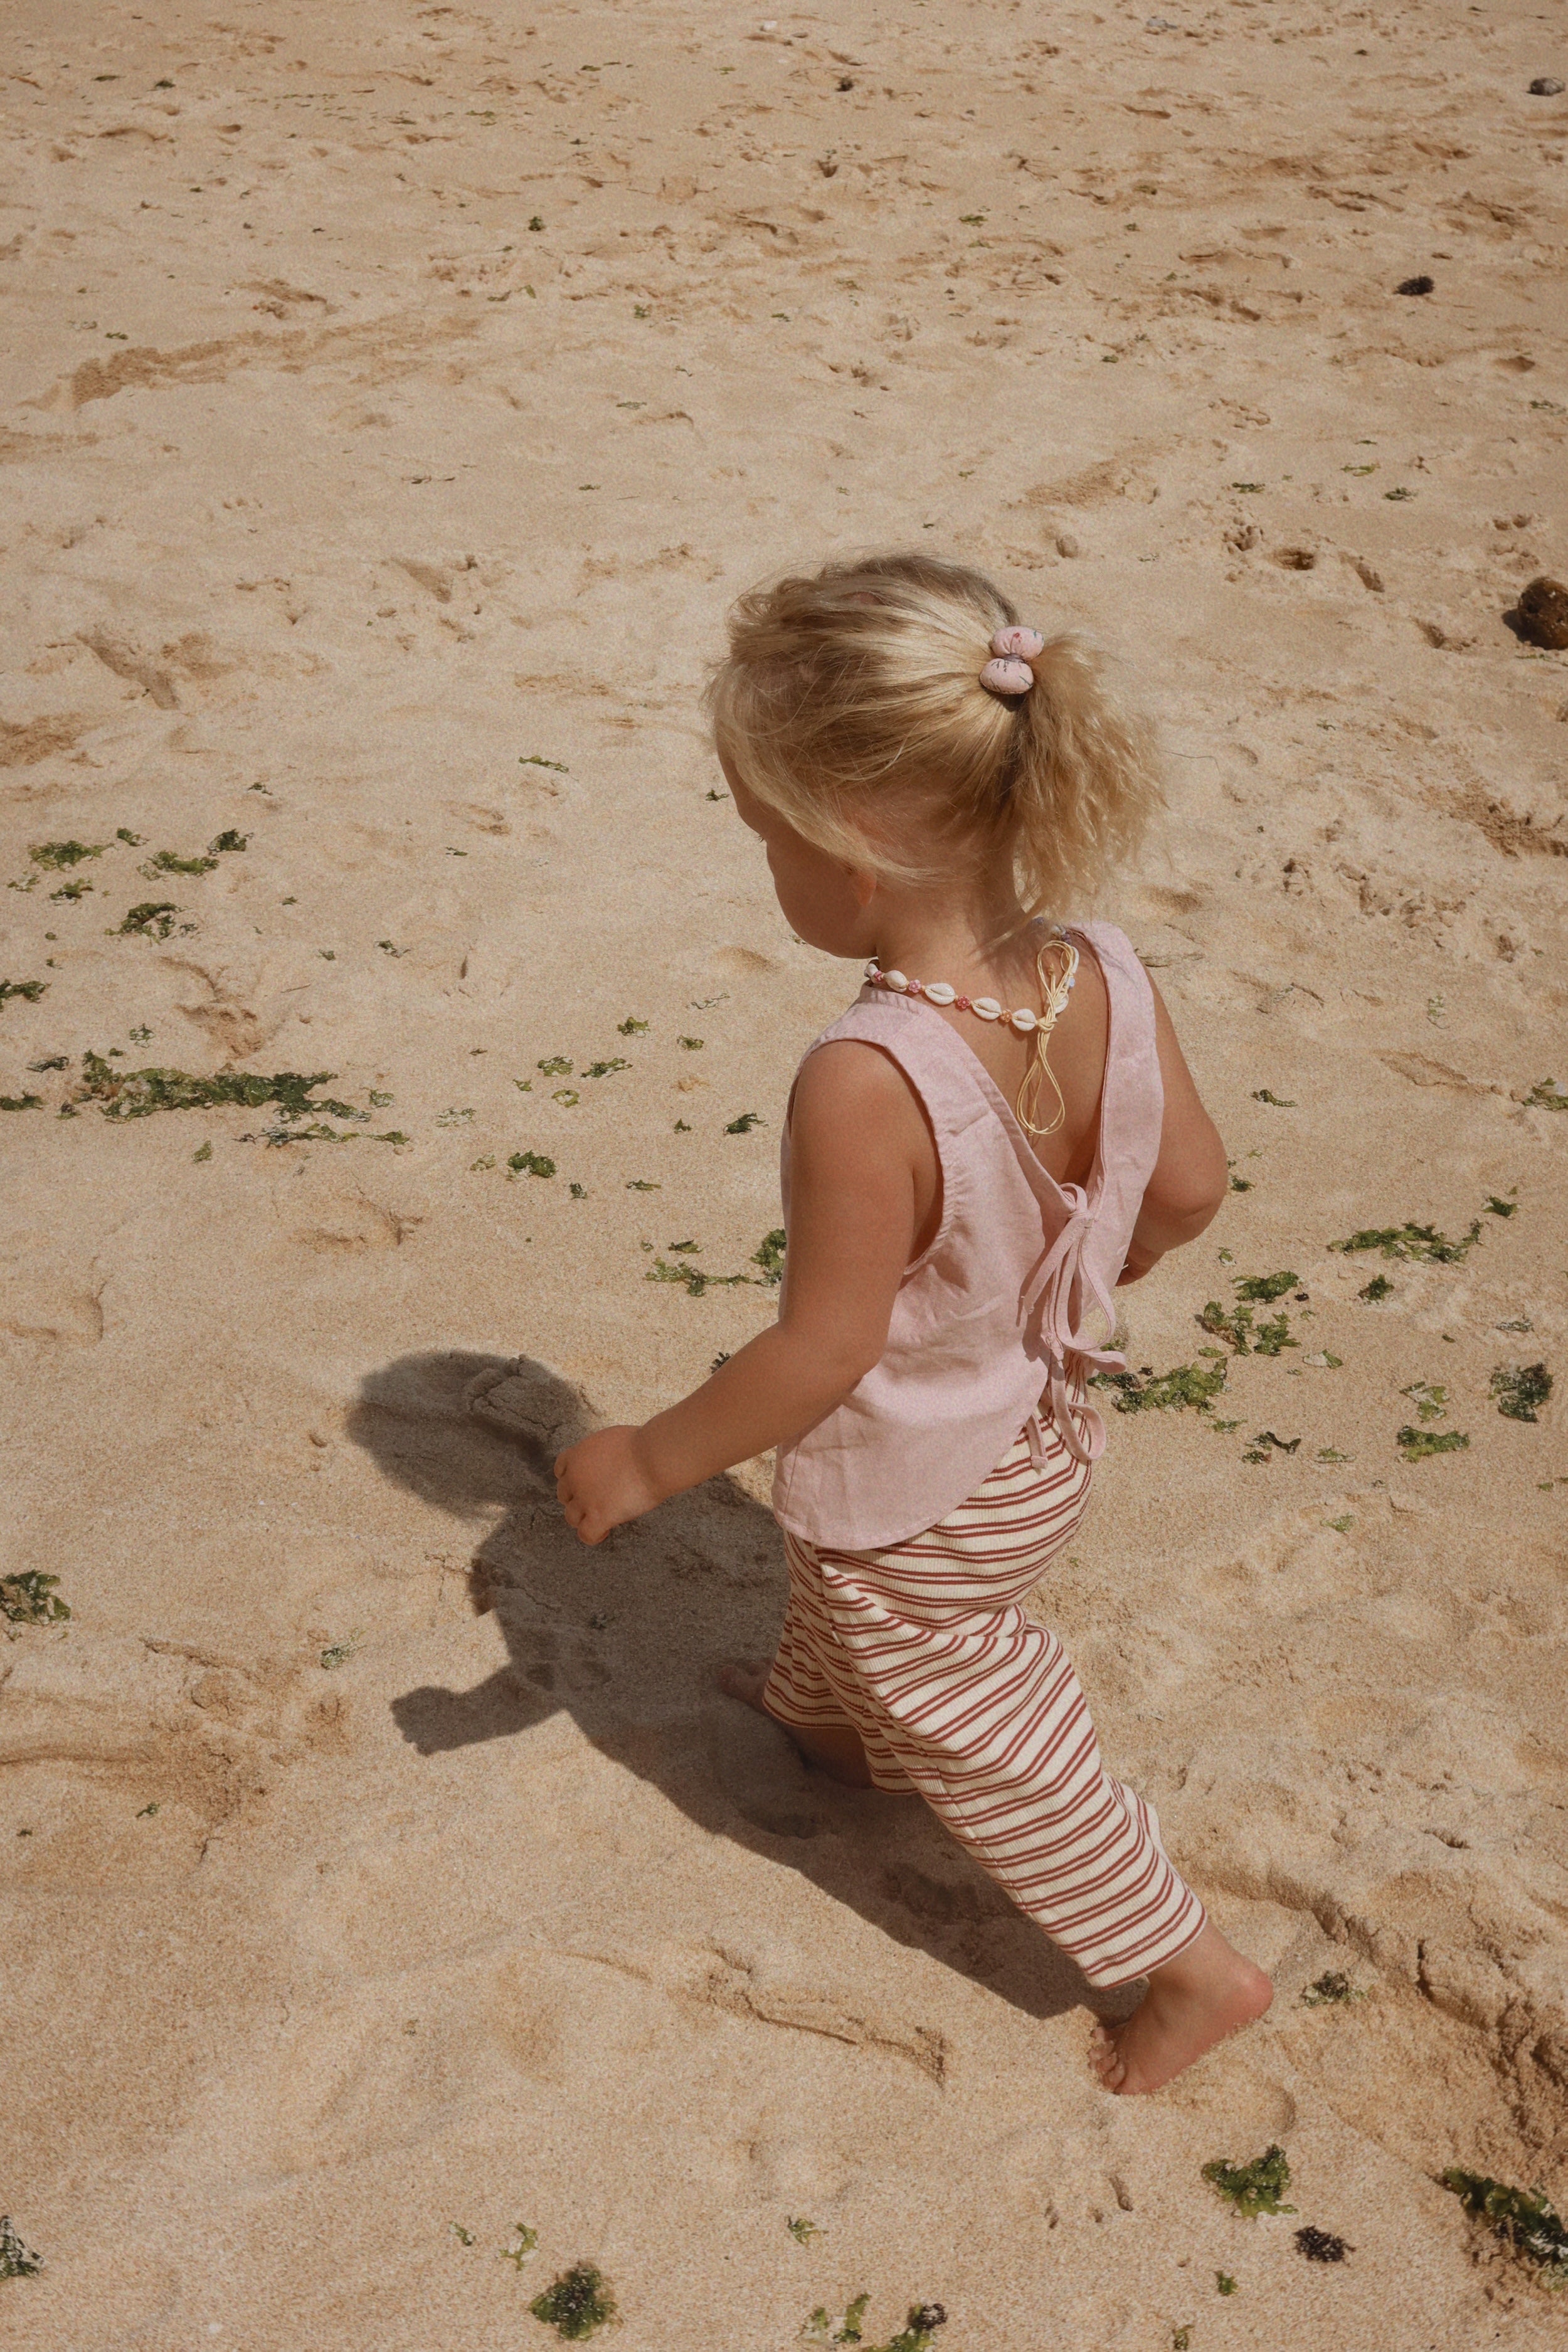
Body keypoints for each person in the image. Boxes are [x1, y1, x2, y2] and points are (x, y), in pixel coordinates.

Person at [554, 551, 1272, 2095]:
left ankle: (1183, 1966)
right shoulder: (1102, 971)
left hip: (930, 1488)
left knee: (971, 1709)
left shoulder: (863, 1074)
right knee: (845, 1582)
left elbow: (818, 1357)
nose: (765, 869)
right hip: (1044, 1426)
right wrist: (1069, 1283)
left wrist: (645, 1462)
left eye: (765, 838)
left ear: (853, 846)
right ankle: (820, 1736)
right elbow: (1191, 1187)